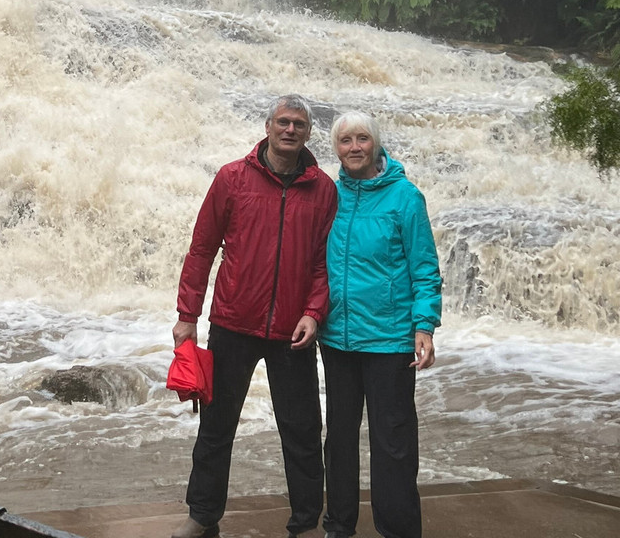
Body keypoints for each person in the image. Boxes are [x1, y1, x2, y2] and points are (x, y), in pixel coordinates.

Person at [172, 94, 338, 538]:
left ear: (307, 133)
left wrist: (313, 312)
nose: (290, 130)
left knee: (302, 432)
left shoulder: (323, 189)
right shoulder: (232, 178)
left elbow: (326, 263)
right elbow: (202, 249)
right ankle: (202, 516)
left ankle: (304, 524)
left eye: (298, 125)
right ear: (267, 126)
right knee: (216, 428)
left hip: (293, 332)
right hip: (232, 323)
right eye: (282, 122)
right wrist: (187, 315)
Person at [320, 112, 443, 538]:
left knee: (392, 443)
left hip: (389, 340)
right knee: (338, 439)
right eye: (345, 140)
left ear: (376, 145)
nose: (354, 147)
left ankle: (399, 530)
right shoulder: (328, 196)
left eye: (362, 139)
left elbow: (425, 267)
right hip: (336, 337)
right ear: (335, 148)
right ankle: (338, 526)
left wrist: (424, 326)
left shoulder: (405, 198)